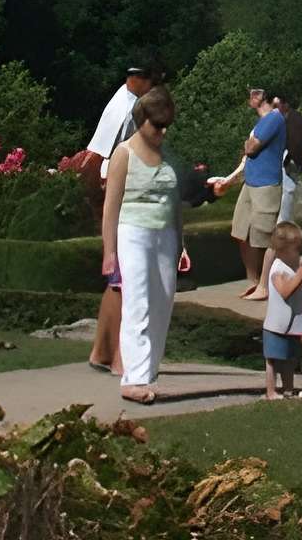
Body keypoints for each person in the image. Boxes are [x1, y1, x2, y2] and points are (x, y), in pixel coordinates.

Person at [101, 85, 186, 403]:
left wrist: (181, 241)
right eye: (157, 125)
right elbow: (111, 206)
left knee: (163, 301)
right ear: (142, 120)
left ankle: (147, 373)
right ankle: (132, 379)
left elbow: (175, 202)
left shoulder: (167, 156)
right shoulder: (124, 153)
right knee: (138, 301)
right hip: (133, 232)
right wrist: (109, 250)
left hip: (165, 235)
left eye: (166, 126)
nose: (162, 132)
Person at [83, 61, 157, 373]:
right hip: (117, 187)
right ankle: (119, 357)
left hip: (113, 184)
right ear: (139, 80)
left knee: (118, 282)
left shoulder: (124, 100)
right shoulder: (128, 110)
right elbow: (102, 155)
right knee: (125, 280)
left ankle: (103, 351)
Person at [208, 83, 291, 301]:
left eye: (257, 92)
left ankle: (264, 285)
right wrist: (230, 179)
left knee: (265, 236)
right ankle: (253, 282)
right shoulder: (261, 123)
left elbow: (251, 148)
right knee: (241, 232)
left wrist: (250, 144)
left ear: (270, 98)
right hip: (251, 183)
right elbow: (248, 153)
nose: (251, 96)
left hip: (266, 185)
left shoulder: (274, 118)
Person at [261, 221, 302, 401]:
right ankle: (271, 391)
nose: (299, 251)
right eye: (295, 248)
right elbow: (285, 291)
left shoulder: (290, 267)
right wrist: (301, 273)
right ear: (282, 250)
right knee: (273, 360)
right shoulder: (278, 269)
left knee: (290, 358)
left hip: (291, 325)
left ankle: (288, 388)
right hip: (276, 325)